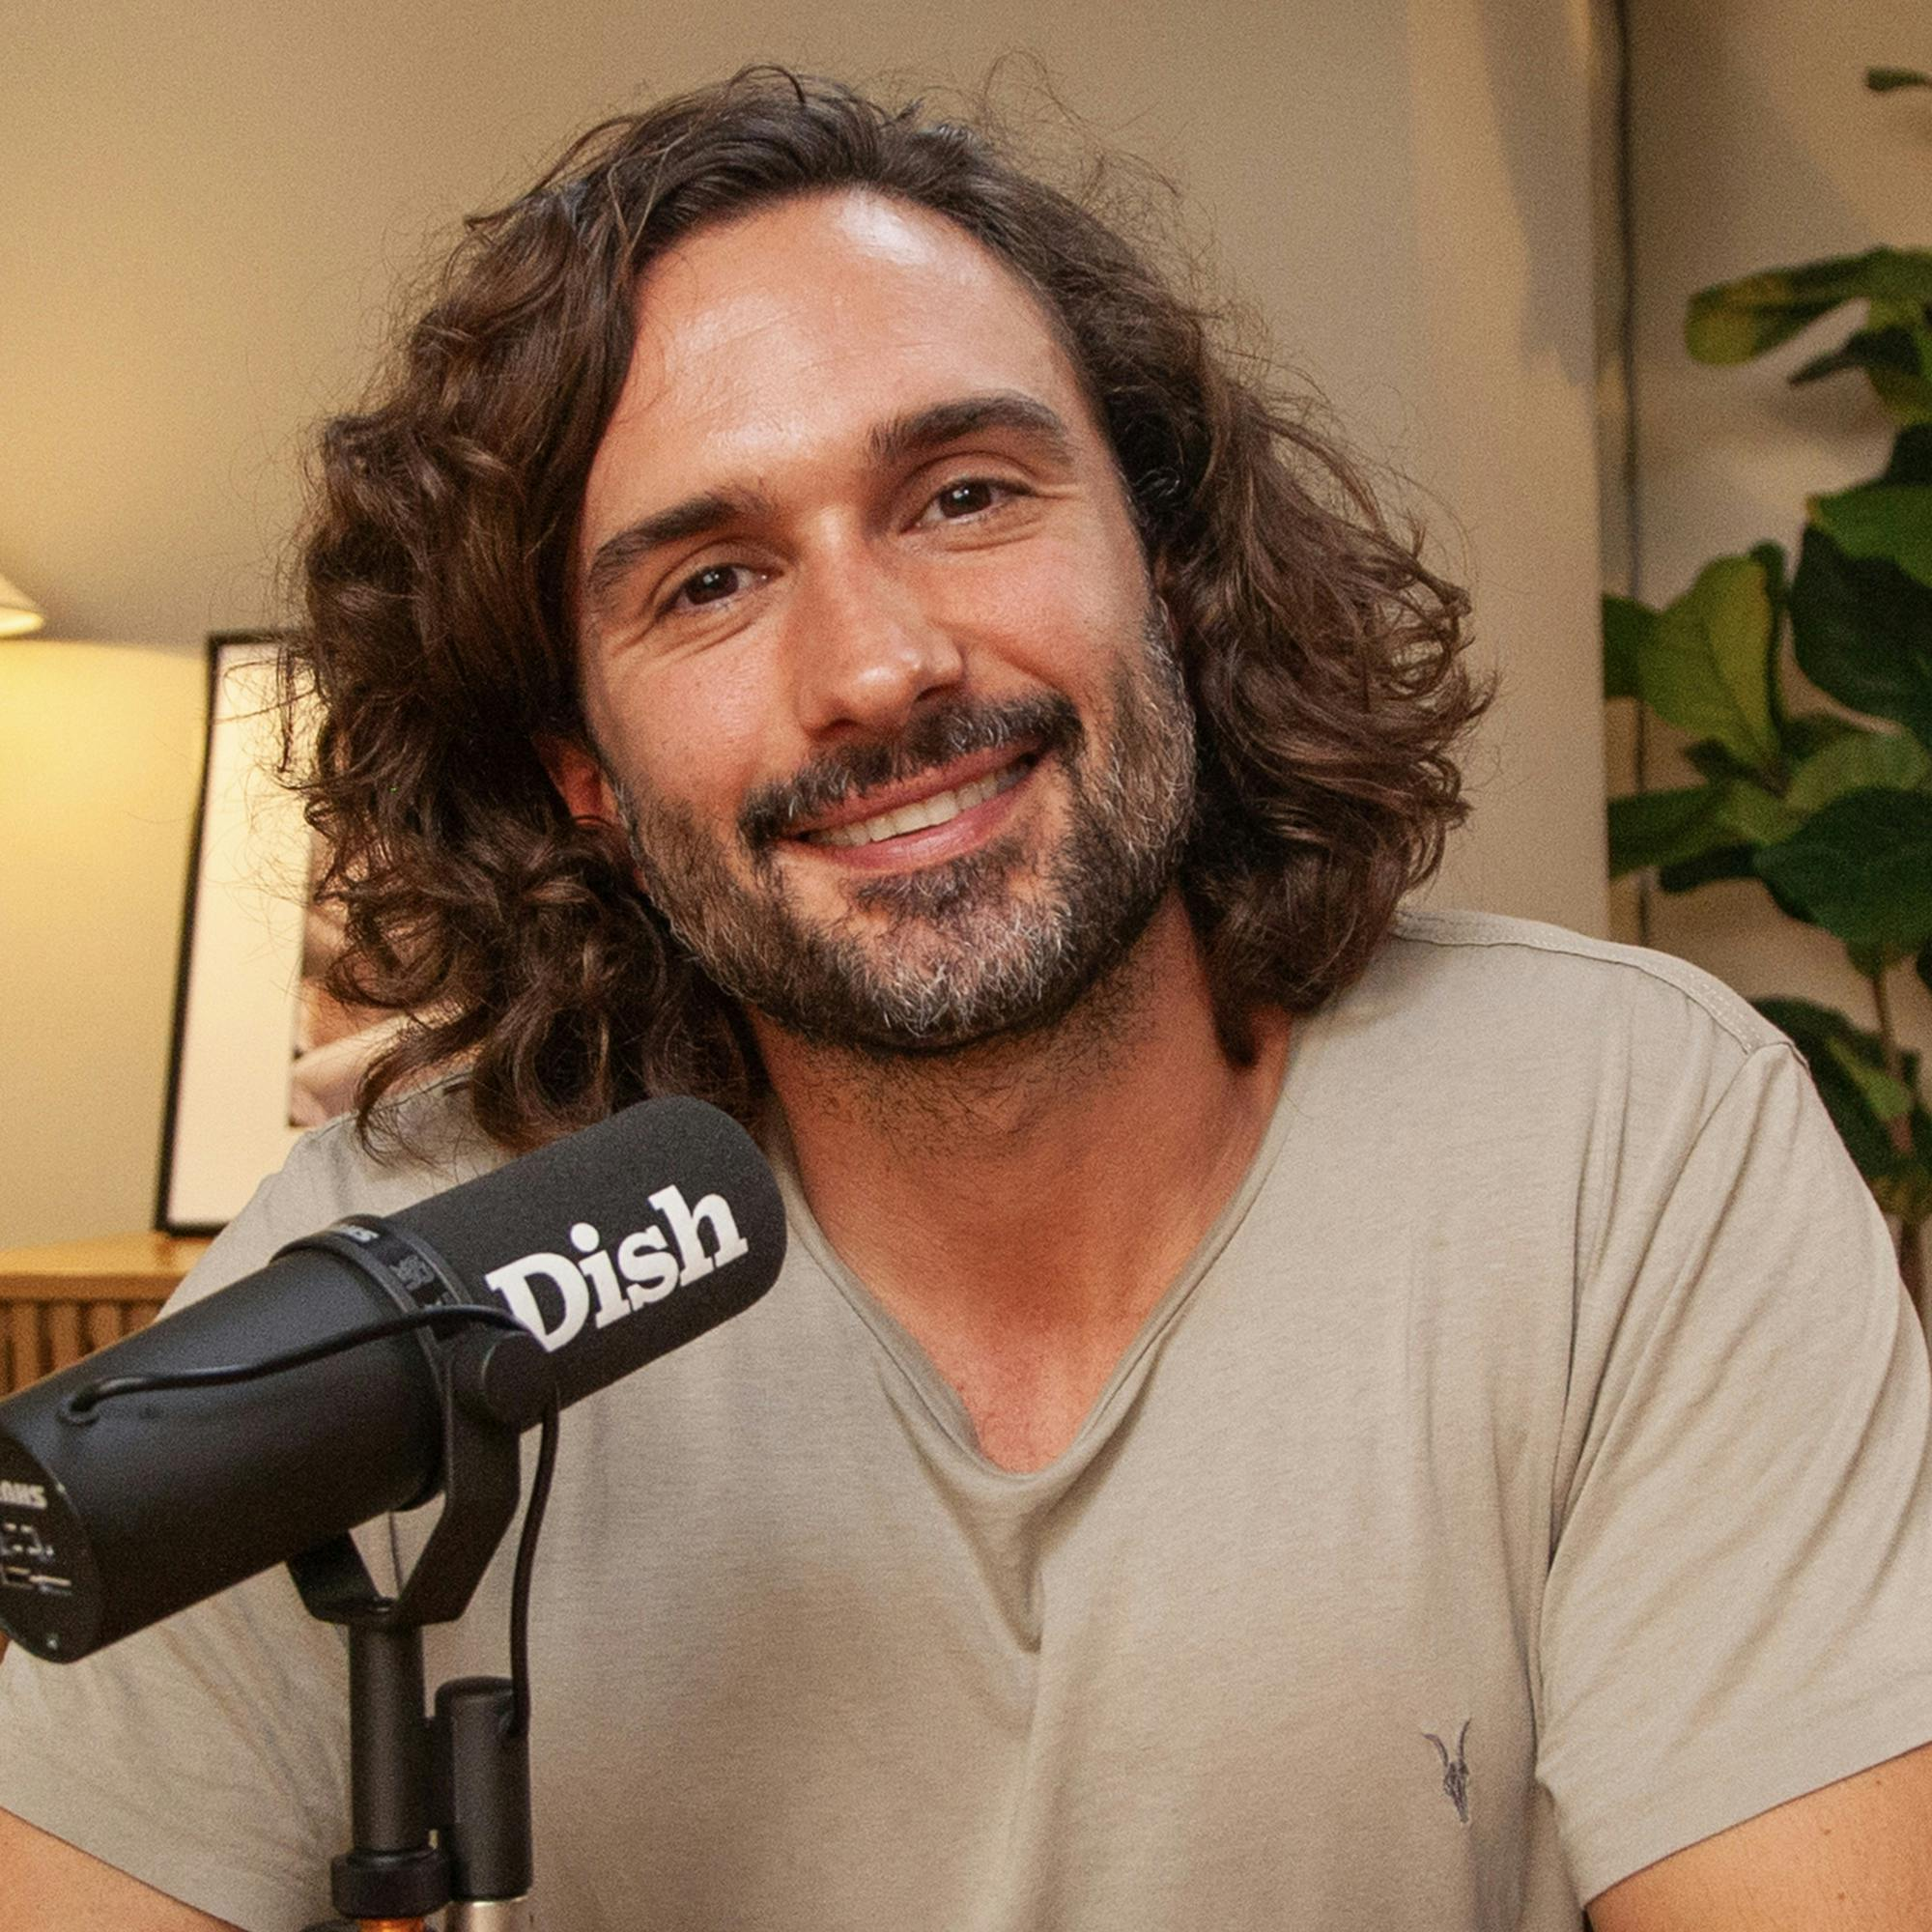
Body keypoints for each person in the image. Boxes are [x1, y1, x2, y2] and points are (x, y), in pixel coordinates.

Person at [3, 69, 1929, 1932]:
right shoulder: (393, 1279)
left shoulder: (1618, 1143)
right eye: (707, 583)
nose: (878, 666)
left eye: (965, 493)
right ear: (579, 768)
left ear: (1164, 564)